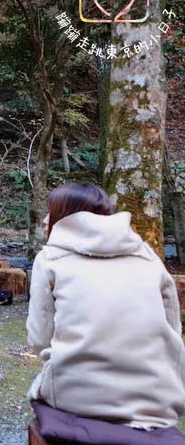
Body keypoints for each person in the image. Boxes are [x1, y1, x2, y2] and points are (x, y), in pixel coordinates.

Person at [27, 183, 185, 429]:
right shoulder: (148, 256)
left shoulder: (49, 259)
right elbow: (173, 331)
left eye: (52, 211)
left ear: (67, 215)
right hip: (155, 401)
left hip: (76, 397)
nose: (46, 219)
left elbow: (39, 339)